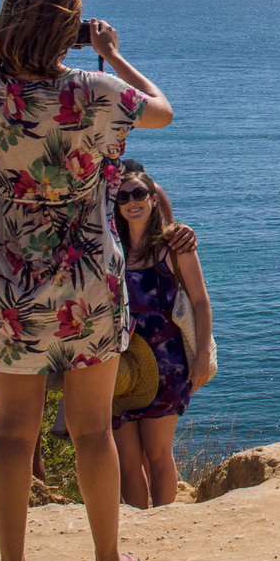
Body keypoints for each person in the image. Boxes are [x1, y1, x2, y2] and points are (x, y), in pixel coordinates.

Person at [0, 0, 173, 561]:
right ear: (68, 25)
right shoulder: (94, 91)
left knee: (11, 432)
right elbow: (162, 111)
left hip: (8, 280)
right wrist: (113, 53)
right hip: (87, 284)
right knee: (90, 429)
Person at [111, 166, 214, 508]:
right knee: (127, 462)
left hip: (168, 367)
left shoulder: (175, 247)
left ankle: (167, 525)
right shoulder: (110, 249)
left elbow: (200, 301)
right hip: (120, 370)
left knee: (157, 455)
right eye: (123, 197)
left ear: (154, 200)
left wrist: (201, 357)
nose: (132, 202)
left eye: (139, 195)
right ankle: (141, 529)